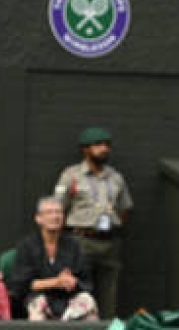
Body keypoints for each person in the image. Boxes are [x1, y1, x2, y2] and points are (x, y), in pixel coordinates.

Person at [53, 127, 132, 320]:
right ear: (85, 149)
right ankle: (78, 329)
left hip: (109, 242)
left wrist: (113, 226)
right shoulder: (71, 175)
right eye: (98, 145)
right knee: (80, 290)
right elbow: (58, 209)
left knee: (109, 292)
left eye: (107, 145)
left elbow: (125, 208)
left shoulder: (115, 177)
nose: (104, 149)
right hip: (82, 240)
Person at [9, 197, 98, 321]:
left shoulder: (74, 245)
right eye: (49, 212)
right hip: (39, 298)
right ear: (38, 218)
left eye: (58, 212)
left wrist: (73, 282)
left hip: (68, 299)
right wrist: (56, 282)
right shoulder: (27, 246)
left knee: (88, 302)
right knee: (37, 306)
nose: (55, 216)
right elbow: (22, 284)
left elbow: (86, 282)